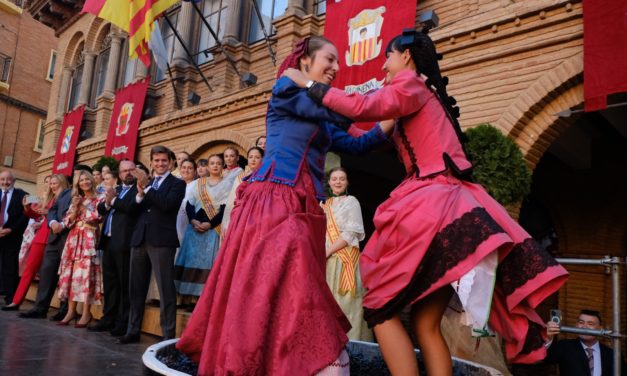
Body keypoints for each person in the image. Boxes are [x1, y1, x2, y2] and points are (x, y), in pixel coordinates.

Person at [284, 29, 569, 374]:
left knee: (381, 308)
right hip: (452, 204)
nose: (384, 67)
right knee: (424, 322)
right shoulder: (416, 95)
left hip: (431, 203)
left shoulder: (410, 85)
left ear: (405, 56)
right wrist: (330, 123)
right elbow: (364, 134)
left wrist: (307, 85)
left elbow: (362, 106)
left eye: (387, 57)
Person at [176, 35, 392, 375]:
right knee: (279, 282)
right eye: (330, 59)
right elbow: (335, 109)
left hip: (304, 205)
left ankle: (282, 358)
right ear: (305, 60)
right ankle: (261, 358)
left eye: (338, 62)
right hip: (274, 199)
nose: (337, 67)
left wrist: (393, 114)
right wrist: (385, 94)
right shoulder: (286, 90)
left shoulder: (320, 114)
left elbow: (361, 142)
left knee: (289, 285)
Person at [120, 145, 185, 344]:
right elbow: (131, 209)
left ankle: (167, 336)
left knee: (166, 289)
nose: (160, 164)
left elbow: (167, 205)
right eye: (156, 161)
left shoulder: (177, 183)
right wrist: (139, 195)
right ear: (151, 162)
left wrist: (146, 187)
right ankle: (133, 330)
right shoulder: (142, 183)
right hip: (140, 238)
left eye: (164, 160)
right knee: (136, 287)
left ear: (171, 162)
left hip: (162, 241)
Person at [19, 165, 93, 320]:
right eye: (77, 175)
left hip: (72, 238)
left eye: (83, 176)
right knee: (46, 273)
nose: (79, 178)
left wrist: (62, 224)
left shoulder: (88, 195)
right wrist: (53, 222)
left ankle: (64, 311)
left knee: (67, 276)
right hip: (54, 237)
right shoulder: (65, 193)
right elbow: (53, 210)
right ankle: (40, 308)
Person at [3, 174, 68, 311]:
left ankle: (43, 307)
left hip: (57, 238)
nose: (51, 186)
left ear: (62, 183)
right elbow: (34, 214)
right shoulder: (45, 198)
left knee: (49, 275)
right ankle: (16, 301)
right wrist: (26, 208)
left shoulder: (66, 197)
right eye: (49, 183)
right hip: (41, 237)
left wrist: (47, 212)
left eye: (54, 183)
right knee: (29, 270)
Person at [321, 167, 372, 342]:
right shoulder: (324, 205)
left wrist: (328, 251)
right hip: (327, 261)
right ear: (329, 182)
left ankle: (350, 342)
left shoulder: (352, 202)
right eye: (334, 179)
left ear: (347, 182)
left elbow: (351, 233)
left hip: (345, 259)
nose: (338, 182)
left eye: (342, 179)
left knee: (346, 302)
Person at [90, 160, 138, 336]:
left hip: (124, 242)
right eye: (124, 171)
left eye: (131, 170)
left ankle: (122, 321)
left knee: (124, 283)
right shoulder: (116, 189)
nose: (128, 173)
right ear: (120, 173)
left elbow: (130, 208)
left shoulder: (138, 190)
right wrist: (108, 202)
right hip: (108, 242)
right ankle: (108, 318)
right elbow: (102, 209)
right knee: (110, 284)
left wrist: (113, 200)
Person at [174, 154, 232, 300]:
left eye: (218, 163)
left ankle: (200, 300)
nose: (215, 166)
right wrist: (193, 220)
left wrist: (210, 224)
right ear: (207, 166)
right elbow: (189, 204)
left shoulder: (227, 185)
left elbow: (225, 209)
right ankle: (185, 299)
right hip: (194, 228)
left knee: (207, 264)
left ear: (222, 166)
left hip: (212, 230)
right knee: (190, 261)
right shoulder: (199, 183)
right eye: (212, 163)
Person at [56, 170, 103, 327]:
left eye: (87, 179)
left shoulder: (99, 197)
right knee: (71, 274)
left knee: (86, 275)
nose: (84, 182)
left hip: (89, 239)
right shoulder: (76, 199)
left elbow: (97, 216)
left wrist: (82, 207)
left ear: (92, 180)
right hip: (74, 239)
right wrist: (75, 208)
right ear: (78, 184)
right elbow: (68, 222)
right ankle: (71, 311)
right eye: (81, 180)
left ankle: (86, 313)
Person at [545, 309, 626, 376]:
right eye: (581, 322)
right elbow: (546, 359)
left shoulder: (612, 354)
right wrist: (549, 337)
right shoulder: (564, 346)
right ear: (576, 325)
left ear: (600, 328)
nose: (584, 327)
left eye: (590, 324)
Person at [0, 170, 29, 306]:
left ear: (14, 181)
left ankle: (10, 298)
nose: (5, 182)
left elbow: (25, 216)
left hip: (13, 235)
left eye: (8, 179)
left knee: (10, 266)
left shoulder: (23, 195)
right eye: (2, 179)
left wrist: (11, 229)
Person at [221, 147, 263, 235]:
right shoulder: (240, 178)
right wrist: (227, 223)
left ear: (263, 159)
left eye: (257, 157)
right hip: (241, 219)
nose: (253, 160)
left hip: (259, 218)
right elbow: (231, 203)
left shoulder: (266, 177)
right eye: (250, 157)